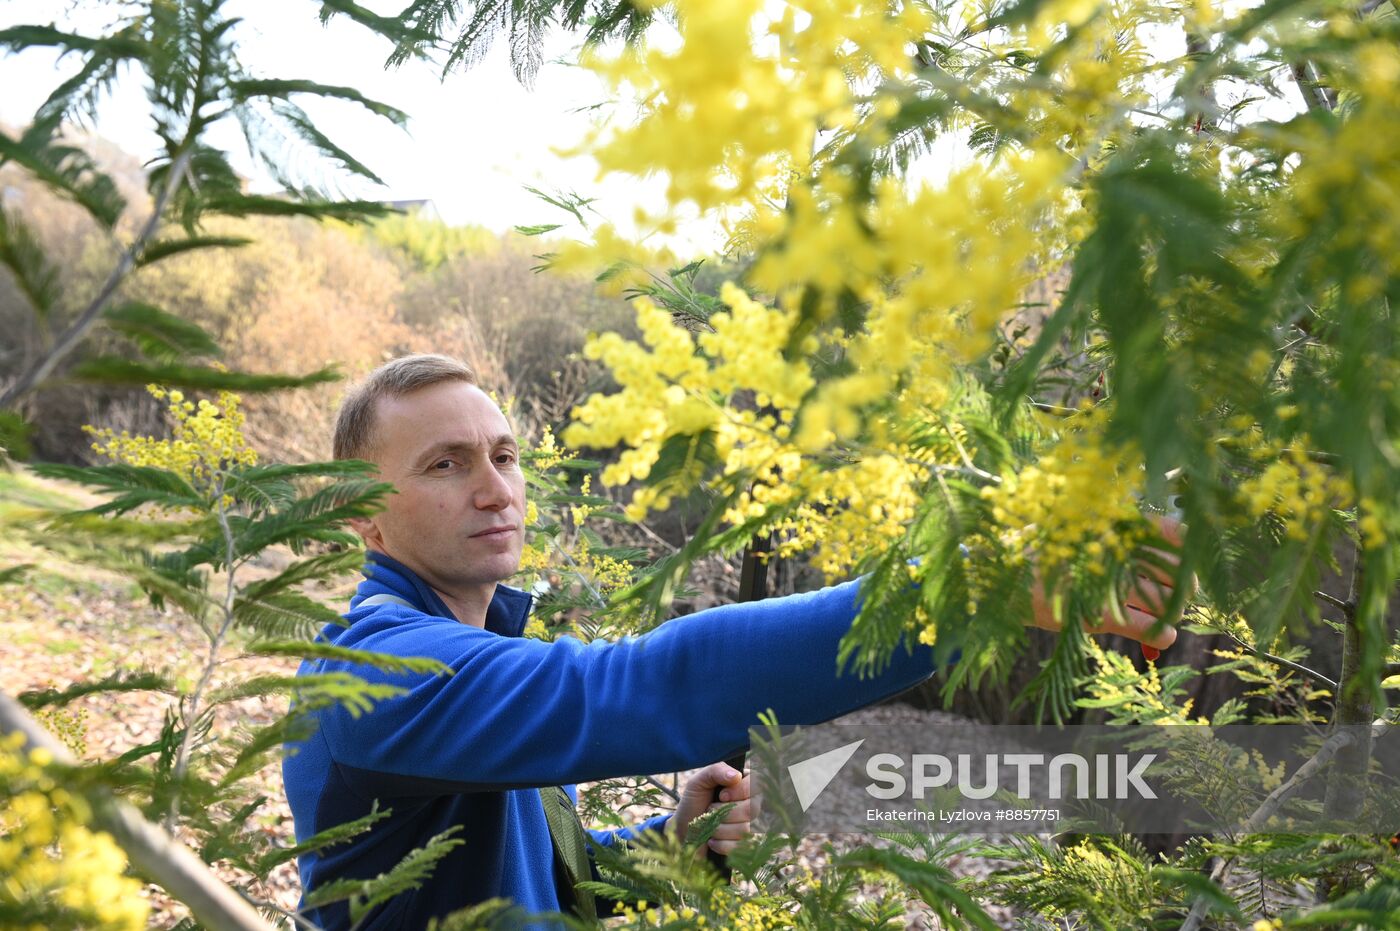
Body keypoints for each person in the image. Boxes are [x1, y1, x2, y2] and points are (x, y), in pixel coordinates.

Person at [283, 354, 1179, 931]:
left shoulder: (475, 655)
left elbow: (549, 885)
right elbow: (659, 685)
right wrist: (963, 585)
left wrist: (673, 843)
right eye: (446, 464)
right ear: (363, 513)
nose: (495, 489)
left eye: (505, 456)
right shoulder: (378, 673)